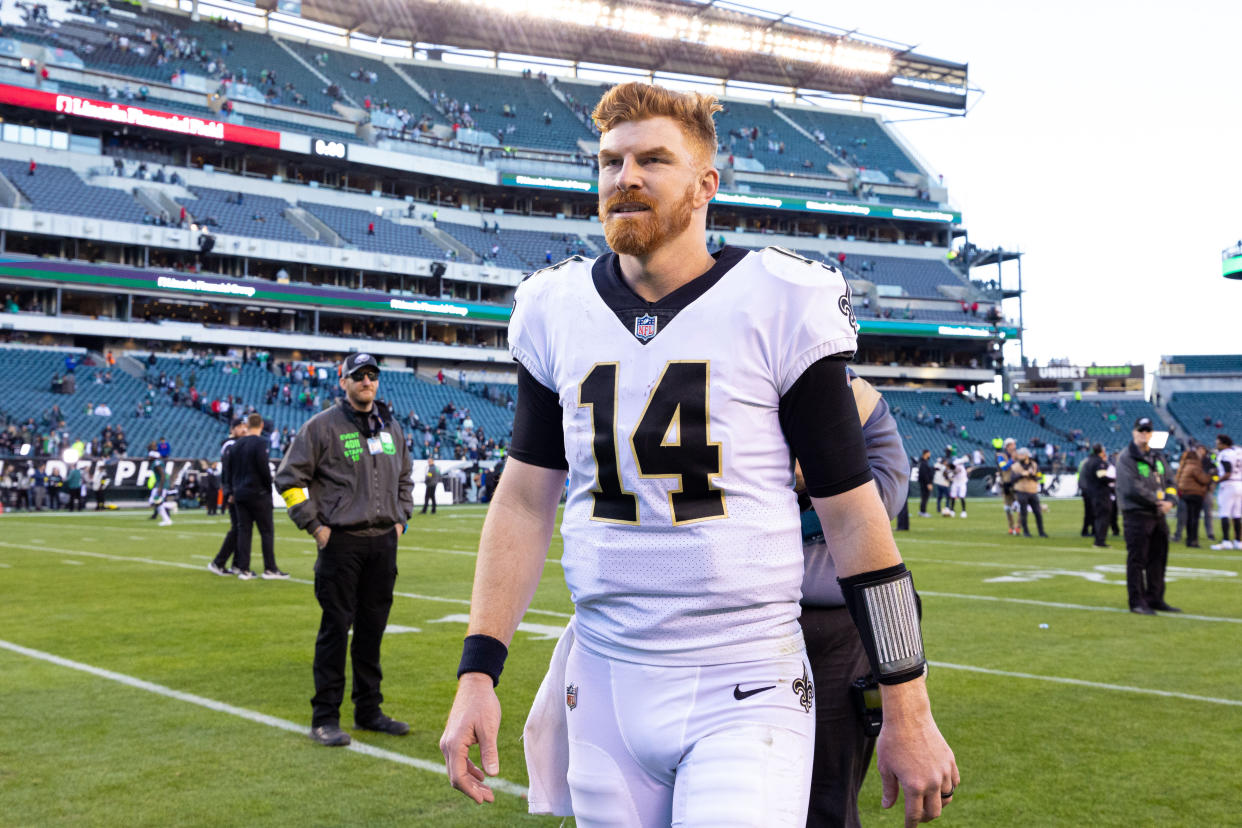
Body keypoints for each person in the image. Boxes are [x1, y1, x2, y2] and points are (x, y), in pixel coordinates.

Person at [439, 81, 957, 827]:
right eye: (611, 162)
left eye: (654, 159)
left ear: (705, 184)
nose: (627, 178)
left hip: (745, 678)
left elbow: (853, 518)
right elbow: (523, 502)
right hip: (606, 681)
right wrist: (478, 671)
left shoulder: (781, 299)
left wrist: (907, 703)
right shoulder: (555, 310)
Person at [275, 353, 414, 748]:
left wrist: (402, 516)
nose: (367, 381)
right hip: (341, 543)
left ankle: (369, 711)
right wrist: (314, 525)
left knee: (372, 631)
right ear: (344, 381)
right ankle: (325, 718)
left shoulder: (391, 426)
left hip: (383, 542)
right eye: (359, 376)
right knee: (335, 631)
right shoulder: (321, 427)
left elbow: (405, 475)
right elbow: (288, 479)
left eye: (372, 375)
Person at [798, 373, 910, 827]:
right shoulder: (737, 376)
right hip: (742, 615)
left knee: (827, 797)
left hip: (839, 621)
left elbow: (882, 500)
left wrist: (796, 480)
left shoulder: (860, 398)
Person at [1115, 417, 1178, 614]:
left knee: (1159, 558)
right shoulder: (1126, 458)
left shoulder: (1158, 458)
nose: (1144, 434)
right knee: (1137, 560)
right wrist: (1158, 502)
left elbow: (1171, 481)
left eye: (1147, 430)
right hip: (1137, 514)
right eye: (1141, 430)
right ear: (1134, 432)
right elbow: (1132, 488)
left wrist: (1170, 500)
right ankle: (1137, 601)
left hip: (1158, 514)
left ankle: (1155, 597)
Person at [229, 413, 286, 581]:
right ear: (261, 425)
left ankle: (243, 568)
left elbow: (231, 469)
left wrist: (233, 490)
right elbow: (263, 468)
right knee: (267, 531)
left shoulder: (237, 444)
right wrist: (269, 487)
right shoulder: (261, 443)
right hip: (258, 493)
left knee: (244, 531)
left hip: (240, 492)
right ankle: (270, 568)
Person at [208, 417, 247, 576]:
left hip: (238, 490)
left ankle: (237, 563)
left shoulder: (236, 444)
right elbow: (229, 472)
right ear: (233, 428)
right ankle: (218, 562)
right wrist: (229, 491)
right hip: (234, 491)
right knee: (237, 528)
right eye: (241, 427)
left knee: (241, 528)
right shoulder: (230, 445)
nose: (244, 430)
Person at [1174, 444, 1211, 548]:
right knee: (1194, 518)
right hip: (1195, 494)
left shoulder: (1185, 465)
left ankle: (1188, 539)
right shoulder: (1195, 466)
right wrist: (1210, 476)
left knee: (1189, 517)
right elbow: (1203, 480)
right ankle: (1193, 540)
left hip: (1185, 494)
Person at [1212, 434, 1242, 550]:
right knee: (1237, 514)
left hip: (1229, 484)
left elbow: (1228, 472)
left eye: (1218, 443)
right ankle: (1238, 541)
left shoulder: (1225, 454)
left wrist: (1216, 481)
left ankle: (1226, 541)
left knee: (1225, 513)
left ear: (1224, 444)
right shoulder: (1238, 452)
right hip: (1239, 483)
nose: (1217, 445)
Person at [1080, 444, 1112, 547]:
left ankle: (1098, 539)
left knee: (1097, 516)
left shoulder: (1088, 461)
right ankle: (1100, 541)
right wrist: (1115, 480)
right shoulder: (1099, 462)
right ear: (1101, 451)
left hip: (1092, 492)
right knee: (1103, 517)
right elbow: (1102, 477)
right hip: (1101, 493)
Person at [1011, 448, 1048, 538]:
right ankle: (1026, 532)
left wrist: (1032, 475)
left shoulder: (1034, 465)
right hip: (1021, 491)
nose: (1019, 457)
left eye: (1021, 455)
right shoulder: (1015, 466)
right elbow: (1012, 479)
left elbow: (1039, 476)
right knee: (1024, 512)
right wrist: (1022, 475)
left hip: (1033, 491)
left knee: (1038, 512)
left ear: (1026, 455)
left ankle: (1041, 532)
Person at [996, 438, 1019, 535]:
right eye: (1012, 444)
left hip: (1018, 483)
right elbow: (1004, 467)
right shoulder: (1001, 456)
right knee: (1007, 508)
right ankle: (1011, 527)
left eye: (1014, 444)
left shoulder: (1019, 455)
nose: (1014, 446)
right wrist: (1012, 460)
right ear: (1007, 446)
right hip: (1006, 483)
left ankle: (1018, 527)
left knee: (1020, 506)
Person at [916, 449, 933, 517]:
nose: (930, 455)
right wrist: (928, 483)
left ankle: (922, 511)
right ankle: (923, 511)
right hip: (924, 483)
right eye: (929, 453)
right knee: (925, 497)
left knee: (925, 497)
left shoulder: (923, 461)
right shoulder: (923, 462)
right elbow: (924, 474)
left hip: (924, 482)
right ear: (926, 453)